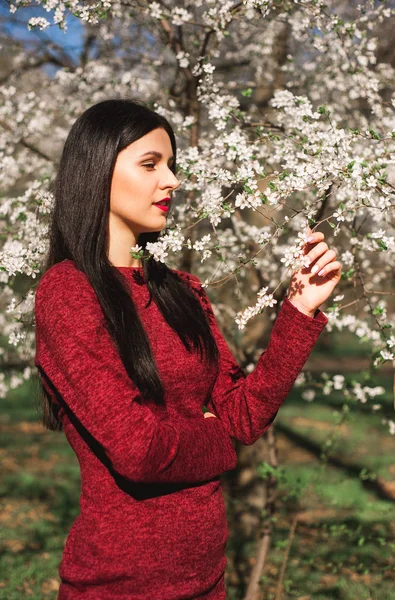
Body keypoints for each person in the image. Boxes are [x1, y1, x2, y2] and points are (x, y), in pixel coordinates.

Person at [34, 98, 341, 599]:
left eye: (172, 165)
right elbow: (139, 451)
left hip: (206, 580)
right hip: (120, 586)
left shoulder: (183, 291)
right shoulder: (68, 293)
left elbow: (241, 415)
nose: (172, 180)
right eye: (151, 164)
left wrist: (299, 312)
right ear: (97, 171)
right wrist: (218, 443)